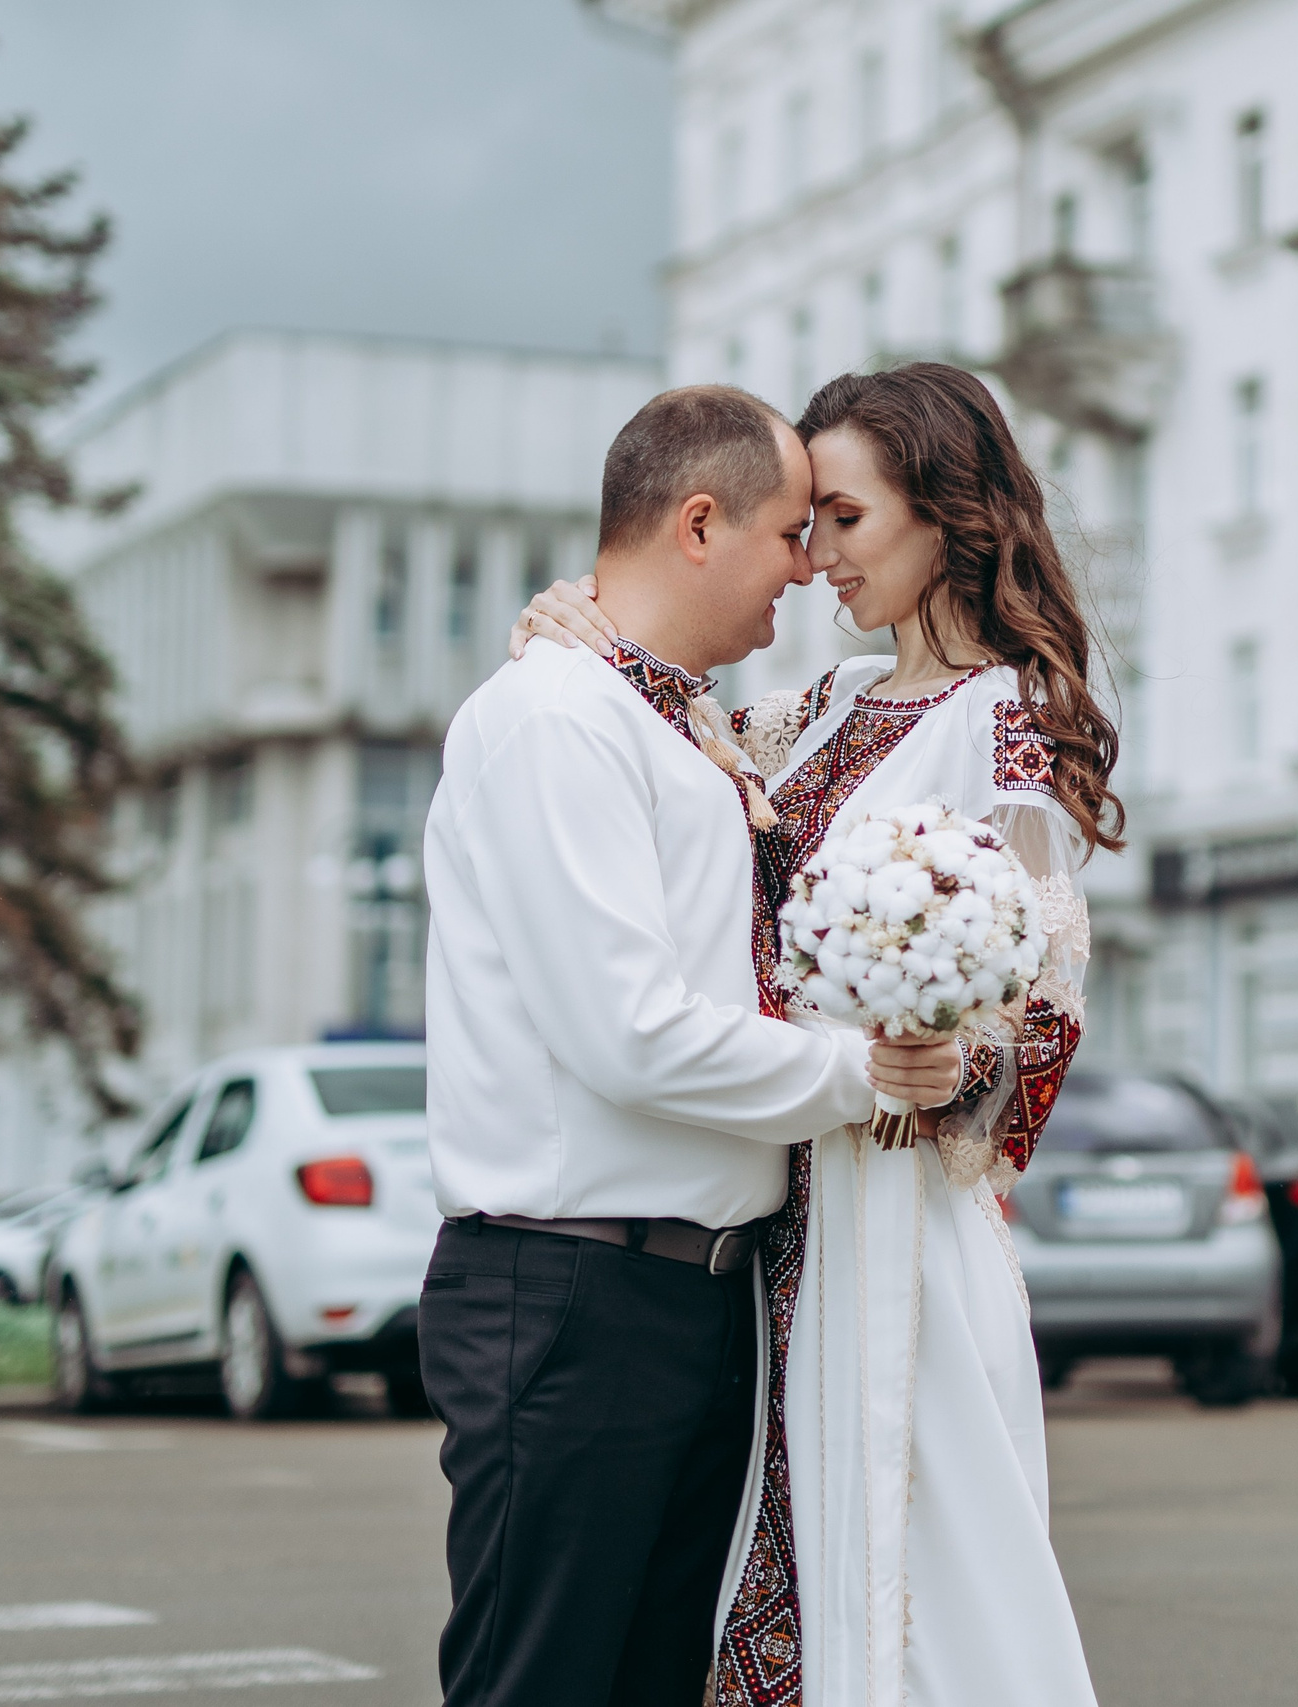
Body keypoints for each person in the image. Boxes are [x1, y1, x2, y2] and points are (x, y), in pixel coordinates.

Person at [512, 362, 1119, 1706]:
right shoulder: (820, 710)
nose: (814, 560)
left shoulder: (1010, 724)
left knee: (909, 1584)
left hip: (889, 1222)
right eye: (803, 527)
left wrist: (941, 1063)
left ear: (947, 513)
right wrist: (581, 622)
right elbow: (660, 729)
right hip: (765, 1216)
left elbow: (1027, 1041)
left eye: (842, 519)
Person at [420, 382, 963, 1707]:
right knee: (543, 1683)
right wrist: (865, 1079)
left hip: (685, 1301)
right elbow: (631, 1034)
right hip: (571, 1292)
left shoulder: (671, 717)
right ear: (702, 524)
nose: (810, 565)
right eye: (792, 532)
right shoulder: (558, 721)